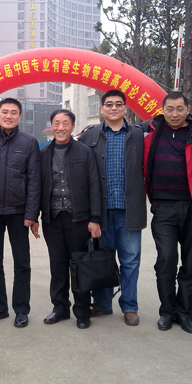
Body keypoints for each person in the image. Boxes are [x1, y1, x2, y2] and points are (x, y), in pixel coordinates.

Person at [140, 91, 192, 334]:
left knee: (191, 263)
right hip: (163, 208)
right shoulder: (149, 131)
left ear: (188, 109)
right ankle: (167, 311)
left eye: (180, 109)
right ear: (163, 109)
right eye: (169, 109)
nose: (174, 114)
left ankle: (185, 313)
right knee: (166, 260)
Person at [78, 90, 146, 327]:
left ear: (125, 108)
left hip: (129, 210)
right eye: (109, 104)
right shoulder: (90, 136)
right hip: (101, 211)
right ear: (102, 109)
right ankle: (102, 303)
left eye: (118, 104)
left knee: (130, 261)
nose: (114, 108)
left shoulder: (138, 135)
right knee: (102, 259)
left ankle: (129, 306)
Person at [0, 98, 41, 328]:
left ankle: (21, 309)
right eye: (4, 112)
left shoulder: (29, 142)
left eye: (13, 112)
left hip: (18, 212)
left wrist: (31, 214)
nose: (8, 116)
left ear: (19, 116)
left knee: (22, 262)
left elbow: (34, 181)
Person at [39, 109, 102, 329]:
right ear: (51, 127)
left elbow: (94, 185)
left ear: (73, 127)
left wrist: (95, 218)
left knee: (79, 265)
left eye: (65, 123)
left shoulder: (85, 152)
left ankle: (82, 311)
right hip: (52, 218)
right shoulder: (43, 154)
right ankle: (60, 308)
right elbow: (36, 186)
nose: (61, 127)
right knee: (57, 265)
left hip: (79, 219)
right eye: (57, 123)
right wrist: (34, 216)